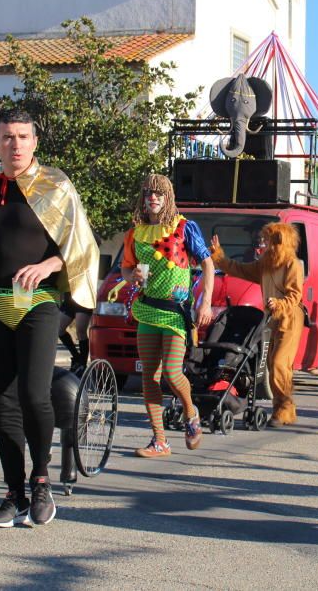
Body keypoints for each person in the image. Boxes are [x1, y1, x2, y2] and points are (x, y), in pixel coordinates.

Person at [0, 109, 99, 528]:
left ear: (35, 142)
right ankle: (14, 493)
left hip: (38, 302)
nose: (16, 144)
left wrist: (46, 267)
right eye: (7, 137)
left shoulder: (55, 185)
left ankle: (41, 484)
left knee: (34, 395)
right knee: (2, 400)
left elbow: (79, 245)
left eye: (23, 136)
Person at [120, 173, 214, 457]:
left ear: (168, 197)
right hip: (148, 310)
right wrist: (130, 275)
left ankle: (191, 412)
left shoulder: (184, 227)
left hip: (175, 314)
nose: (153, 198)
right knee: (149, 376)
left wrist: (205, 302)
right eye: (149, 193)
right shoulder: (135, 234)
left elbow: (207, 264)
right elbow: (127, 269)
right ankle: (159, 441)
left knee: (172, 374)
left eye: (159, 193)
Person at [211, 223, 304, 424]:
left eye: (267, 240)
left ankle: (284, 409)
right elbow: (240, 269)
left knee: (280, 364)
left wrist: (279, 303)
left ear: (280, 241)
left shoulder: (292, 264)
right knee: (273, 365)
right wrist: (219, 257)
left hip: (290, 318)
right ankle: (285, 409)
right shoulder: (265, 263)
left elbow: (295, 295)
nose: (263, 243)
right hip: (272, 319)